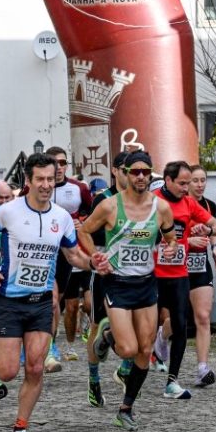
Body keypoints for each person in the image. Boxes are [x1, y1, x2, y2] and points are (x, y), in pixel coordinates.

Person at [0, 153, 95, 432]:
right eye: (40, 179)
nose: (46, 185)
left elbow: (73, 255)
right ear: (28, 181)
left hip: (41, 303)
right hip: (11, 300)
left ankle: (20, 429)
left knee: (36, 368)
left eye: (51, 179)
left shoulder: (61, 217)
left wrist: (94, 263)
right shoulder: (9, 212)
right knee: (8, 372)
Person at [80, 151, 178, 430]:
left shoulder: (160, 209)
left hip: (146, 284)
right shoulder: (110, 206)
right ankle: (109, 334)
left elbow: (170, 239)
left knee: (144, 351)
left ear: (151, 174)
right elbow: (84, 231)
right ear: (124, 173)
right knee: (127, 349)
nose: (140, 177)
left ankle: (125, 408)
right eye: (135, 171)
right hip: (117, 283)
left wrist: (170, 249)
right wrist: (95, 257)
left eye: (146, 172)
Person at [152, 160, 216, 399]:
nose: (188, 187)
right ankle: (129, 364)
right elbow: (141, 234)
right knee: (145, 330)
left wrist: (208, 231)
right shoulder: (152, 200)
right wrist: (185, 242)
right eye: (183, 183)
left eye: (191, 182)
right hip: (153, 273)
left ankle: (173, 380)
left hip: (181, 272)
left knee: (184, 323)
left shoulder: (191, 204)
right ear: (168, 180)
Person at [82, 151, 128, 406]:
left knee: (134, 328)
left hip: (133, 273)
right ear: (115, 171)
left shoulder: (143, 201)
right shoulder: (104, 199)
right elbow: (90, 232)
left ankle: (124, 367)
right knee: (99, 323)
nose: (132, 176)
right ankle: (94, 379)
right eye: (125, 170)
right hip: (105, 270)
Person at [41, 145, 92, 370]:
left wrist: (83, 221)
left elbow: (92, 214)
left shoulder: (79, 188)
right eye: (55, 163)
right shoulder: (36, 187)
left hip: (71, 252)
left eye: (63, 163)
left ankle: (50, 341)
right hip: (45, 252)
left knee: (64, 303)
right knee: (53, 303)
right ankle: (49, 347)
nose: (59, 167)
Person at [186, 164, 216, 387]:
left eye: (202, 180)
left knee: (203, 316)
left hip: (200, 265)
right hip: (177, 265)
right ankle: (161, 337)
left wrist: (215, 248)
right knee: (174, 318)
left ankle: (202, 367)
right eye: (195, 181)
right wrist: (189, 240)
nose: (200, 185)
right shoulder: (177, 206)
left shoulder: (210, 205)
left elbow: (214, 229)